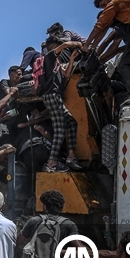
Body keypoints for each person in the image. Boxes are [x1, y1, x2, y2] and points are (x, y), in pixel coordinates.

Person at [38, 27, 85, 173]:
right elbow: (64, 45)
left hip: (54, 96)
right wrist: (77, 44)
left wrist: (71, 59)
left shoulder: (56, 63)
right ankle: (51, 163)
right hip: (52, 95)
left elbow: (67, 74)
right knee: (60, 130)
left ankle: (71, 156)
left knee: (71, 122)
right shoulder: (50, 56)